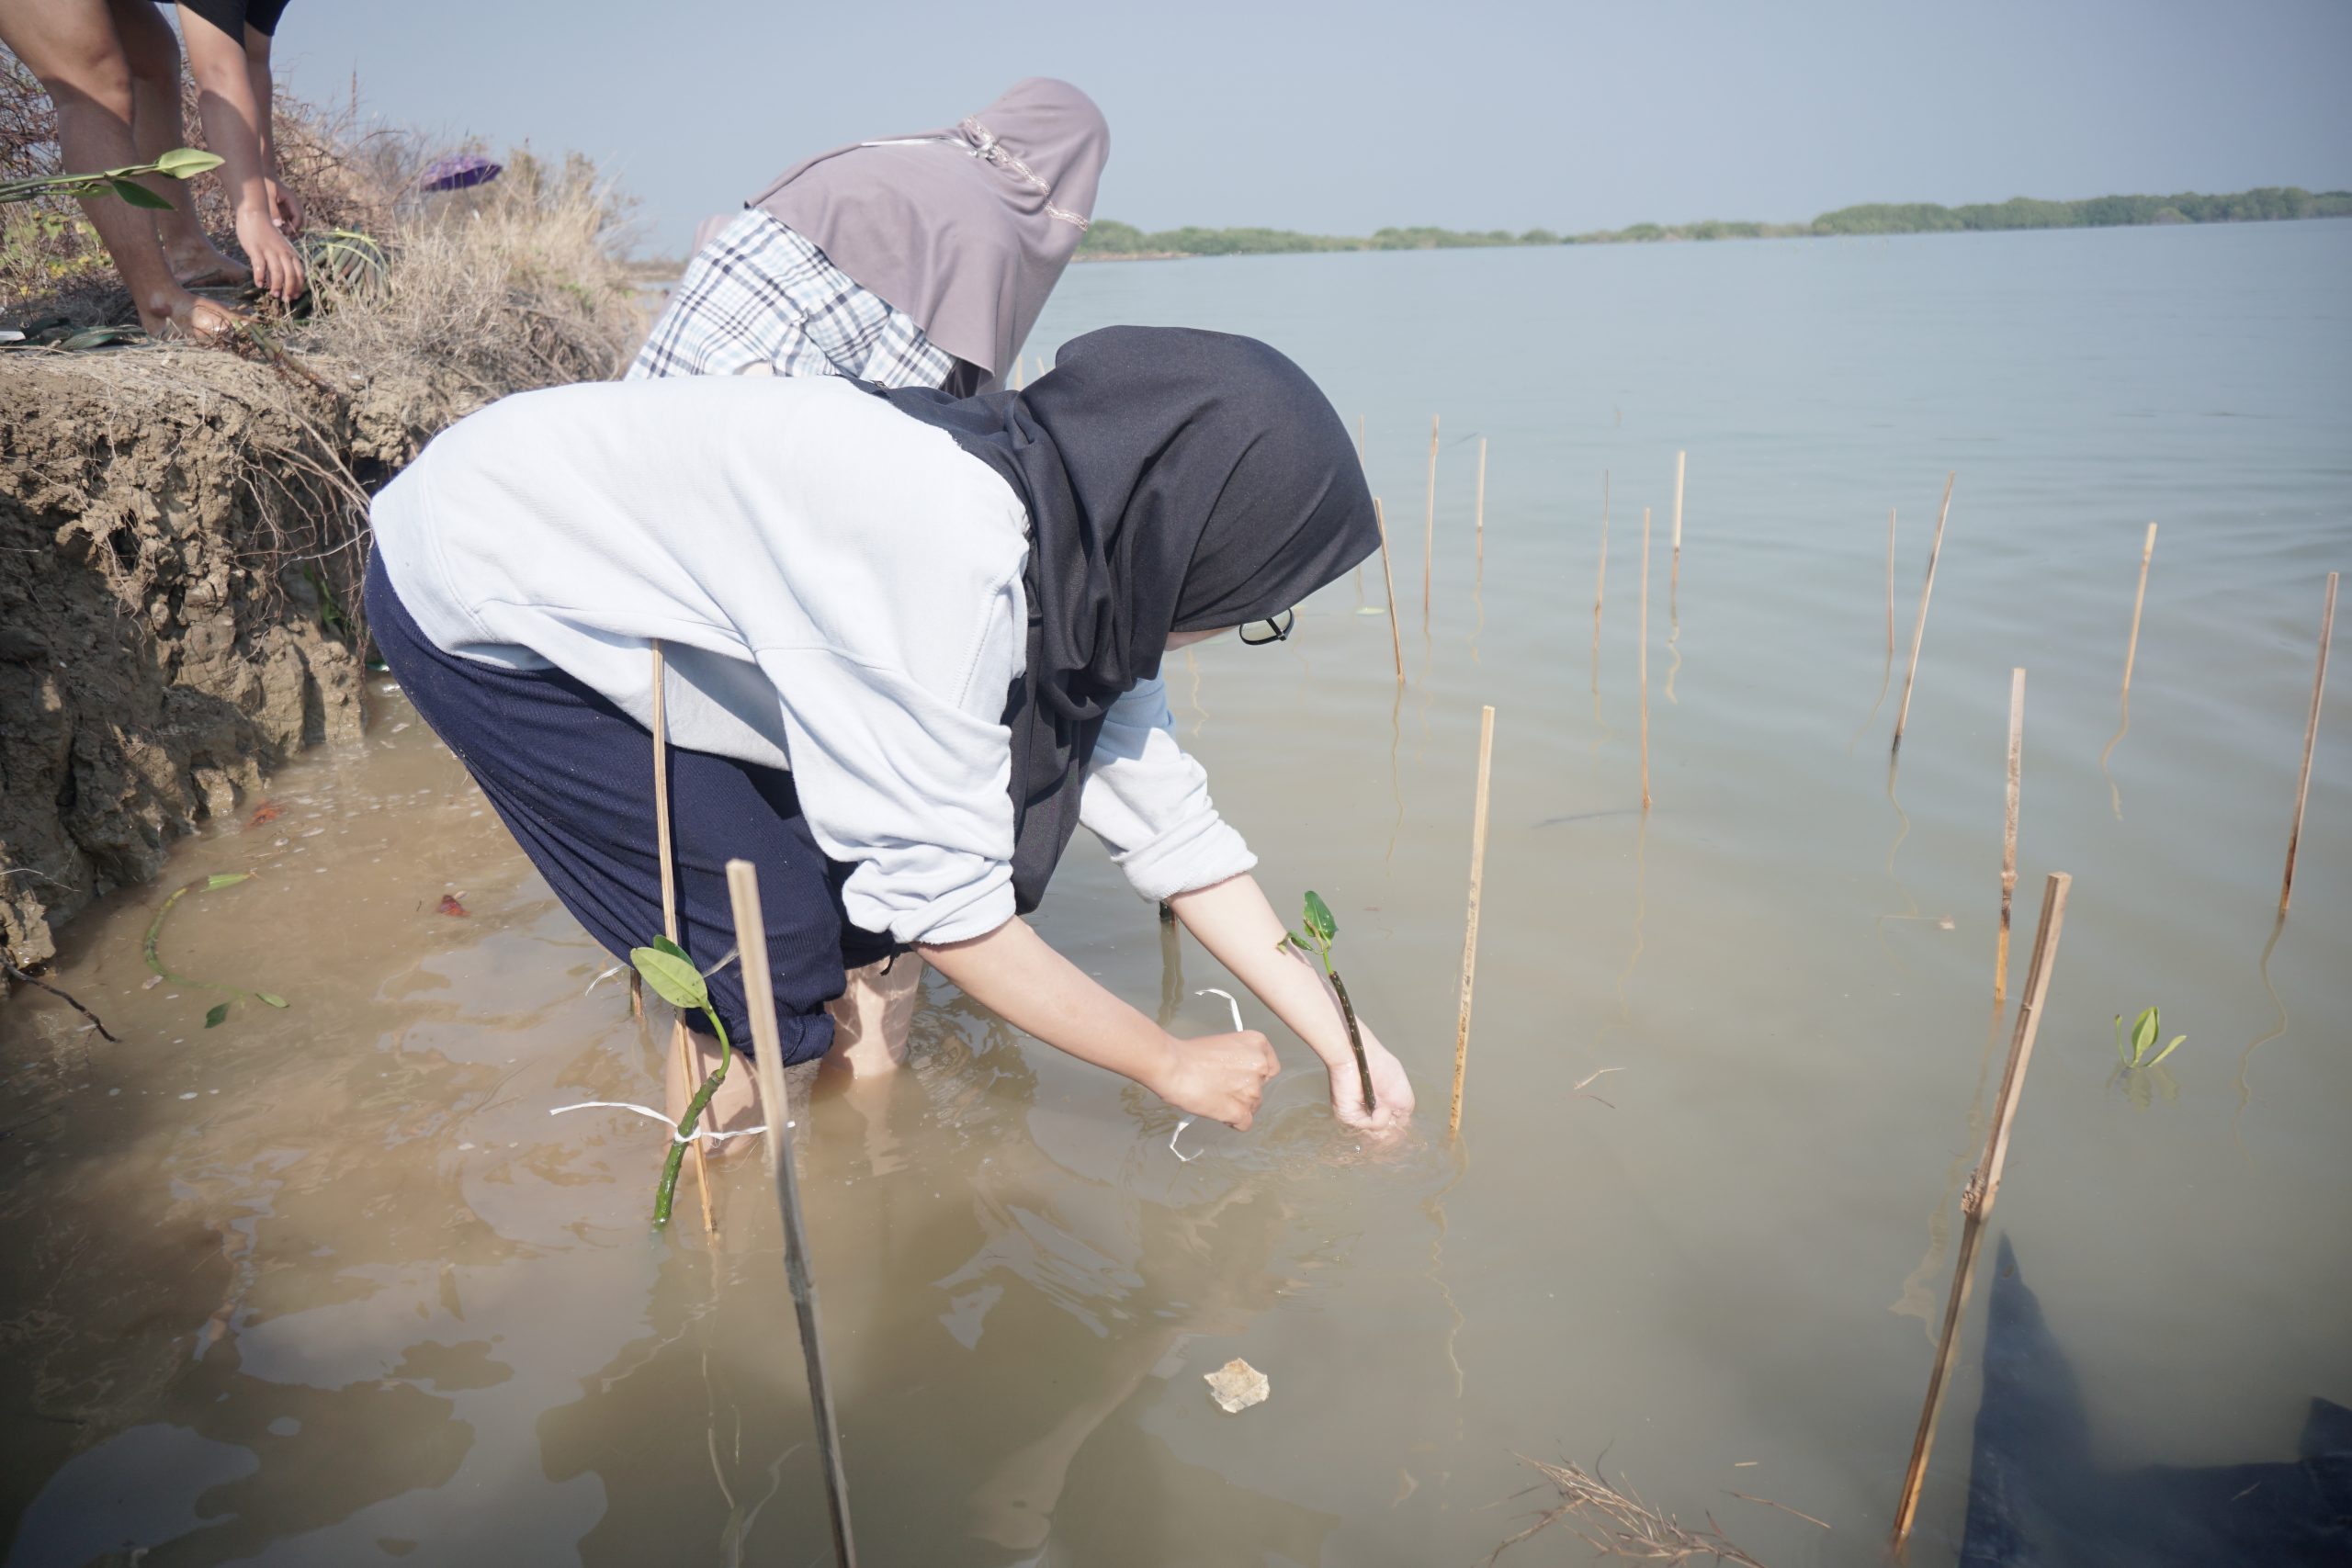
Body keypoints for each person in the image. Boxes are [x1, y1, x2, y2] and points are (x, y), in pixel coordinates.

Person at [368, 326, 1416, 1138]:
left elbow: (1172, 828)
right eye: (1254, 601)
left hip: (617, 568)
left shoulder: (1088, 550)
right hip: (485, 586)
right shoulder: (949, 556)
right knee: (765, 950)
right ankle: (707, 1192)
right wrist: (1165, 1062)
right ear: (1194, 540)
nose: (1237, 623)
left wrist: (1345, 1042)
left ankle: (854, 1146)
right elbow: (948, 907)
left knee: (841, 900)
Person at [628, 78, 1106, 392]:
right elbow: (900, 405)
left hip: (695, 315)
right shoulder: (986, 234)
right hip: (752, 367)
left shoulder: (915, 151)